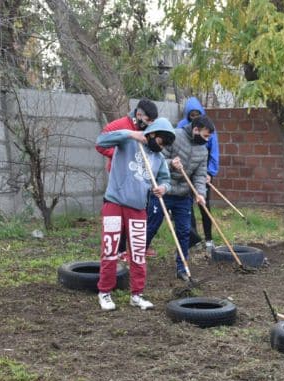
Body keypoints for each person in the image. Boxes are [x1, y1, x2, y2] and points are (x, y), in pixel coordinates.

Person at [94, 117, 176, 311]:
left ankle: (137, 295)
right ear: (153, 134)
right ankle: (104, 292)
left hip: (138, 208)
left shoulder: (158, 159)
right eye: (161, 141)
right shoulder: (128, 142)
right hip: (114, 203)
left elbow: (166, 179)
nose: (162, 147)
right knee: (110, 249)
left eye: (165, 145)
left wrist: (163, 188)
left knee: (138, 253)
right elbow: (100, 142)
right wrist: (131, 134)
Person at [147, 115, 215, 281]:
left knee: (184, 231)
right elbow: (156, 158)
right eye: (205, 136)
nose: (207, 140)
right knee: (151, 227)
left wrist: (200, 194)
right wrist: (170, 163)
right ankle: (135, 258)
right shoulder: (174, 136)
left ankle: (182, 268)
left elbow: (199, 175)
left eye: (209, 137)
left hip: (184, 195)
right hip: (163, 190)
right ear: (195, 130)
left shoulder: (203, 150)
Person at [175, 97, 220, 250]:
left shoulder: (208, 127)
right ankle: (192, 239)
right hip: (186, 171)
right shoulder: (181, 127)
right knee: (187, 207)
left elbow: (214, 151)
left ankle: (209, 239)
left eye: (197, 114)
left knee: (204, 204)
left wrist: (210, 172)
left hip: (203, 170)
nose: (195, 117)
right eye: (191, 115)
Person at [96, 99, 158, 174]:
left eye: (152, 121)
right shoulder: (120, 125)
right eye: (148, 120)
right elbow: (100, 145)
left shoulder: (150, 129)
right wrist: (122, 155)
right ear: (138, 115)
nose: (150, 124)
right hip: (119, 174)